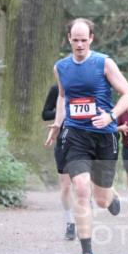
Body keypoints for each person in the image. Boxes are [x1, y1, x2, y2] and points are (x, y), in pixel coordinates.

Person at [45, 18, 128, 254]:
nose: (80, 45)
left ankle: (111, 196)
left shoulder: (104, 63)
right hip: (76, 136)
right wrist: (57, 124)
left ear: (92, 39)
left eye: (84, 40)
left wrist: (111, 116)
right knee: (82, 189)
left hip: (104, 136)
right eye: (75, 40)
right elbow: (63, 96)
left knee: (101, 199)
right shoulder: (61, 67)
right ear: (69, 39)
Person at [42, 84, 76, 240]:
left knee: (84, 184)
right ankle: (70, 223)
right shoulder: (56, 89)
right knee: (66, 186)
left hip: (85, 140)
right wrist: (62, 113)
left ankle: (85, 218)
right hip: (64, 141)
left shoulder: (86, 85)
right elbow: (45, 114)